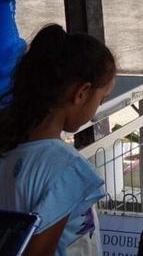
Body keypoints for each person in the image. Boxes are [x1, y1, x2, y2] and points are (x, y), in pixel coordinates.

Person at [0, 23, 117, 256]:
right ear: (81, 93)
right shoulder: (67, 170)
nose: (96, 111)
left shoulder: (7, 147)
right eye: (101, 100)